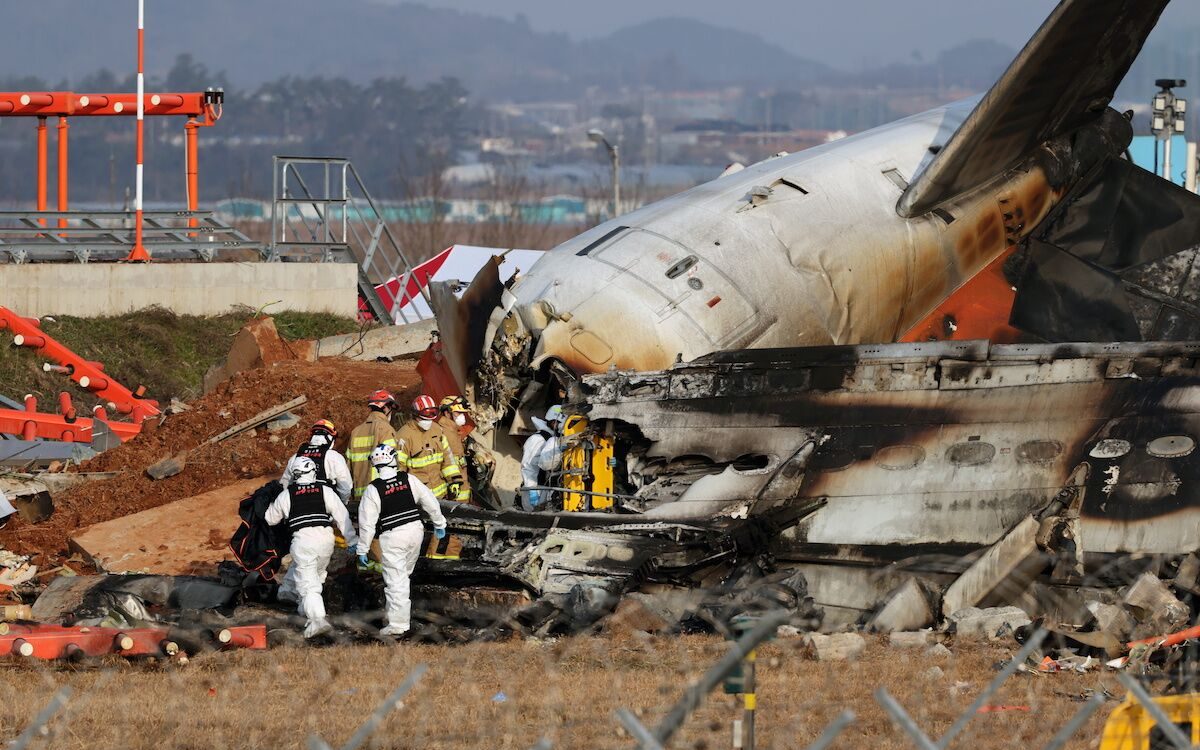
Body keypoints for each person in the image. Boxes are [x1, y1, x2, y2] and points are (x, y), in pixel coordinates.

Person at [356, 444, 447, 637]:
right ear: (393, 460)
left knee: (396, 581)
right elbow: (429, 501)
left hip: (393, 536)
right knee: (403, 576)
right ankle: (394, 615)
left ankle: (398, 625)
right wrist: (439, 523)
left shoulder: (373, 490)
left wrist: (362, 549)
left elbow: (367, 524)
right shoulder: (409, 479)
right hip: (415, 531)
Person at [264, 456, 359, 638]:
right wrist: (352, 540)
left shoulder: (287, 495)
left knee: (308, 585)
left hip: (303, 542)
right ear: (313, 472)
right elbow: (342, 516)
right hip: (325, 541)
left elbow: (270, 518)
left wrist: (268, 501)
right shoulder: (324, 491)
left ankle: (318, 620)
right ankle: (302, 608)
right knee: (316, 576)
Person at [395, 395, 462, 501]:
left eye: (433, 414)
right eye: (425, 415)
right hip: (418, 498)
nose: (428, 420)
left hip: (441, 496)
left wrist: (454, 480)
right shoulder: (404, 435)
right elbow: (399, 468)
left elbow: (447, 458)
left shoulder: (437, 430)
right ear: (416, 414)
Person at [347, 389, 400, 509]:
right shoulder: (385, 429)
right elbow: (394, 462)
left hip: (360, 497)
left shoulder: (355, 432)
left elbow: (348, 467)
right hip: (382, 494)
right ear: (386, 407)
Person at [280, 419, 352, 503]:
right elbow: (345, 487)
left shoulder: (296, 457)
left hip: (298, 507)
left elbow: (284, 485)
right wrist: (342, 504)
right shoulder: (334, 457)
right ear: (331, 439)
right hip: (325, 509)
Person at [520, 405, 564, 511]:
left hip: (548, 490)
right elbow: (528, 466)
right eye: (556, 422)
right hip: (536, 491)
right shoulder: (538, 439)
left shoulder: (557, 440)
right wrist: (532, 489)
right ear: (553, 422)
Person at [437, 395, 473, 503]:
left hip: (461, 487)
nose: (462, 416)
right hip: (455, 490)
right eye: (458, 413)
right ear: (447, 413)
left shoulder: (453, 431)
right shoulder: (443, 432)